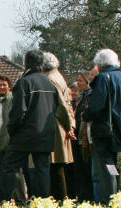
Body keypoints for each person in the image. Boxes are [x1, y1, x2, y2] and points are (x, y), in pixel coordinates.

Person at [0, 50, 68, 202]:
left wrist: (13, 132)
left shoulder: (24, 82)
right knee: (43, 170)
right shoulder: (49, 83)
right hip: (46, 134)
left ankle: (2, 203)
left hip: (24, 135)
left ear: (25, 63)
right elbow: (58, 107)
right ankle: (43, 205)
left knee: (8, 167)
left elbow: (18, 112)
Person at [83, 49, 121, 203]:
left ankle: (108, 200)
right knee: (112, 165)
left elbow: (97, 106)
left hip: (104, 130)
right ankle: (116, 196)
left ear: (99, 65)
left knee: (104, 166)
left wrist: (85, 114)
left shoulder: (103, 78)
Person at [42, 52, 76, 200]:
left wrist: (68, 126)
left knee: (55, 167)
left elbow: (61, 105)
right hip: (62, 124)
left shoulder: (50, 79)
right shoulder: (59, 76)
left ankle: (60, 200)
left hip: (57, 125)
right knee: (59, 167)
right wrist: (71, 124)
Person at [0, 76, 27, 202]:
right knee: (0, 171)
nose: (2, 87)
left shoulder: (12, 100)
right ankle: (4, 199)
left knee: (15, 172)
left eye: (4, 85)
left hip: (9, 141)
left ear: (9, 86)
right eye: (0, 85)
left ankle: (21, 199)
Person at [71, 71, 94, 201]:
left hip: (85, 139)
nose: (78, 83)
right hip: (78, 139)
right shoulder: (80, 98)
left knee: (87, 169)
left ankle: (87, 197)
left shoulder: (88, 97)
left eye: (80, 81)